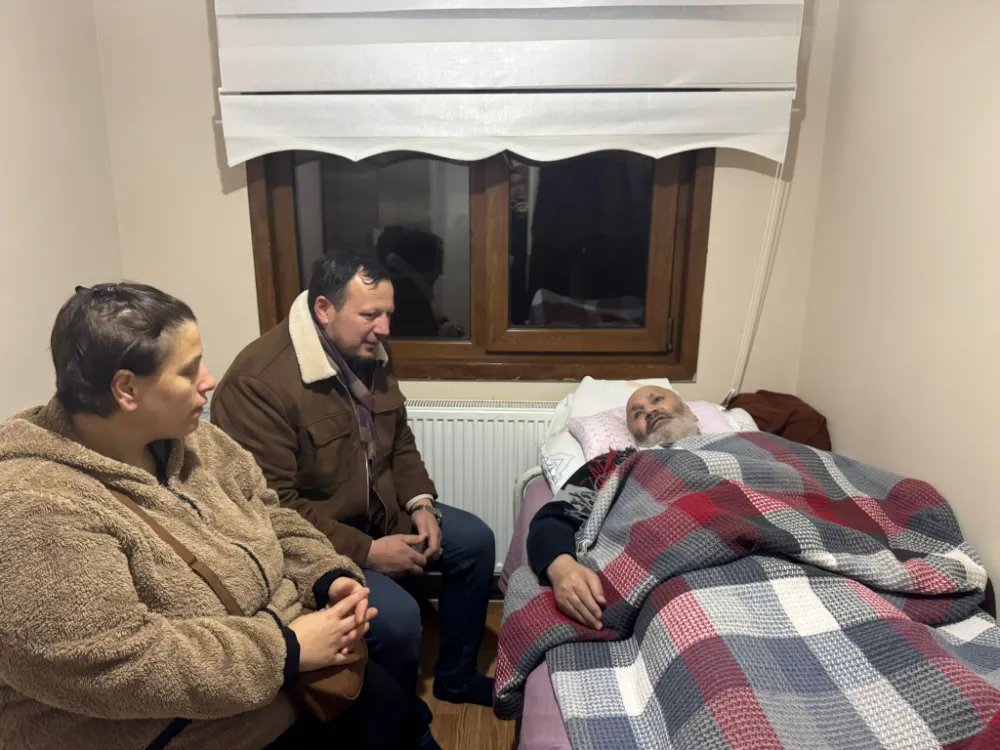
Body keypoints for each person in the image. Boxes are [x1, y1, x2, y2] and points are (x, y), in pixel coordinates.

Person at [0, 283, 417, 750]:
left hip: (285, 684)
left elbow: (271, 515)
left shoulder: (198, 441)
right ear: (126, 389)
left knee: (398, 712)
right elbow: (115, 663)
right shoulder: (33, 506)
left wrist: (325, 576)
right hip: (201, 732)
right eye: (188, 369)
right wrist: (287, 649)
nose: (209, 380)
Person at [211, 251, 497, 731]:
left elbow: (398, 439)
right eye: (370, 315)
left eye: (388, 313)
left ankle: (456, 677)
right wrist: (367, 552)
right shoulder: (257, 383)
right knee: (398, 617)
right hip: (316, 540)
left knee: (474, 541)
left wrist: (420, 502)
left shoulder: (369, 350)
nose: (384, 328)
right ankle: (396, 722)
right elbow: (272, 508)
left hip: (379, 511)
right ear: (324, 310)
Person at [526, 386, 700, 630]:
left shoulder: (745, 446)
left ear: (688, 410)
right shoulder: (612, 467)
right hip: (662, 583)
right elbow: (553, 521)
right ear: (634, 433)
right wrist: (563, 569)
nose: (650, 412)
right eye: (638, 414)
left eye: (657, 400)